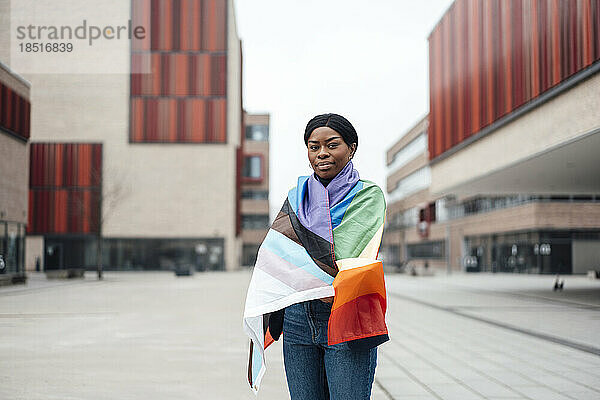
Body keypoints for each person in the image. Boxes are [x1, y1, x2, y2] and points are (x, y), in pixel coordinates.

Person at [243, 113, 388, 399]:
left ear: (352, 147)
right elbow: (276, 254)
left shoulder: (368, 196)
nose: (322, 153)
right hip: (298, 317)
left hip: (347, 312)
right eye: (314, 146)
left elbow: (348, 256)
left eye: (332, 145)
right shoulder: (296, 197)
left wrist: (301, 274)